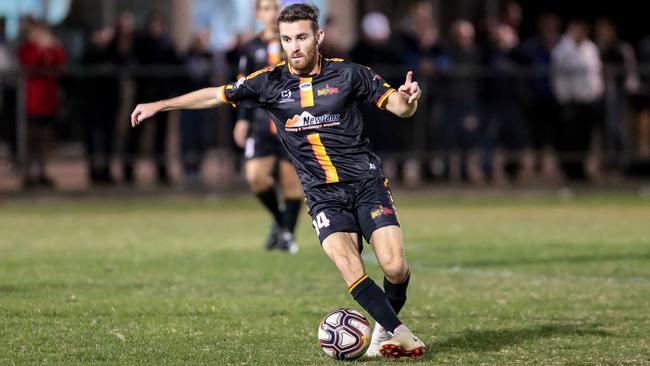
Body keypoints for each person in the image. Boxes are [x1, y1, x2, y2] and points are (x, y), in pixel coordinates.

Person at [130, 3, 426, 360]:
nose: (294, 46)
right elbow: (214, 95)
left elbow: (398, 106)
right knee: (349, 264)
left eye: (301, 37)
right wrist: (160, 104)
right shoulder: (269, 82)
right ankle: (400, 332)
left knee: (394, 267)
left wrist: (408, 101)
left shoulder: (350, 74)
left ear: (318, 37)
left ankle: (383, 330)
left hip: (366, 184)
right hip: (322, 196)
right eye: (287, 39)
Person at [233, 0, 303, 253]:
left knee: (291, 181)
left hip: (291, 122)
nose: (271, 13)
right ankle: (280, 219)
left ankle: (287, 235)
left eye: (274, 7)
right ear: (258, 14)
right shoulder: (251, 48)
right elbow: (242, 89)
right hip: (261, 123)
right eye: (265, 8)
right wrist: (242, 120)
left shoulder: (293, 44)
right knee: (255, 177)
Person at [18, 21, 67, 188]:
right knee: (32, 138)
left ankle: (42, 172)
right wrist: (40, 49)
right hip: (33, 101)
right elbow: (29, 65)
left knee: (46, 138)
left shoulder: (52, 49)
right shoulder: (29, 48)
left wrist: (54, 47)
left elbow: (61, 64)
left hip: (49, 100)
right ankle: (28, 173)